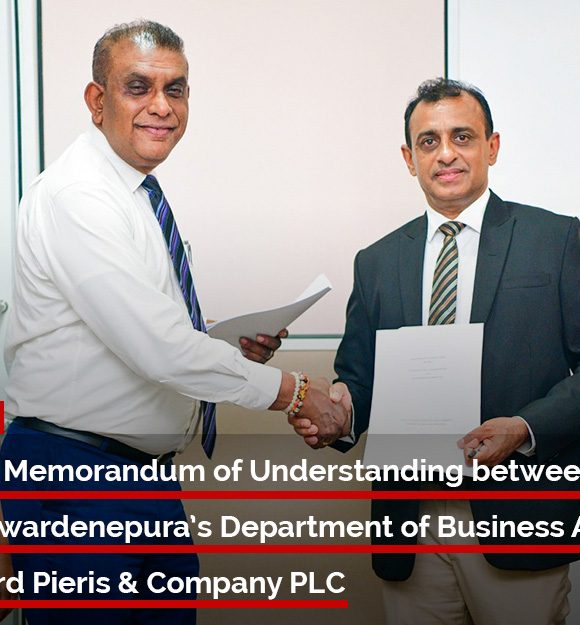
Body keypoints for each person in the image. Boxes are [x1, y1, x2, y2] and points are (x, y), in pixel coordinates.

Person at [0, 20, 344, 625]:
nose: (162, 106)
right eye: (138, 87)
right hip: (77, 479)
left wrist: (223, 344)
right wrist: (295, 392)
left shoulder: (134, 194)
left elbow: (139, 326)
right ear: (96, 101)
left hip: (141, 480)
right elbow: (156, 347)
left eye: (176, 89)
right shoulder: (78, 195)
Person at [291, 78, 580, 624]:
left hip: (520, 513)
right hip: (411, 521)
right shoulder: (377, 261)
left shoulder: (552, 239)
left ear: (492, 147)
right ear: (409, 159)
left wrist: (524, 428)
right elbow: (359, 379)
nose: (447, 153)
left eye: (462, 136)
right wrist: (340, 414)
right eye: (429, 141)